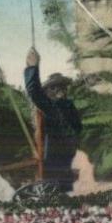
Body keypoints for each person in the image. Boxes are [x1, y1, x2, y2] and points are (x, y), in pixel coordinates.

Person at [24, 47, 82, 192]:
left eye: (61, 86)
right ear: (48, 91)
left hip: (59, 159)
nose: (58, 90)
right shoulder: (55, 107)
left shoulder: (62, 106)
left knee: (58, 194)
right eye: (54, 87)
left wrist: (32, 67)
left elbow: (34, 92)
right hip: (57, 159)